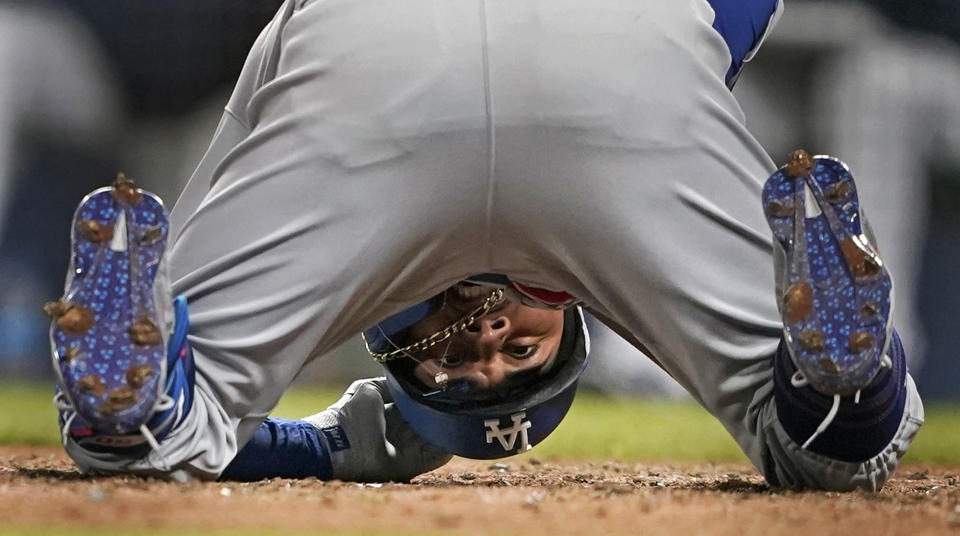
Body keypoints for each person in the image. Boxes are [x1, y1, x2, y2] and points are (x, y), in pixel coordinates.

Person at [46, 0, 922, 490]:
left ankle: (142, 407)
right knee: (835, 453)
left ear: (392, 345)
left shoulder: (592, 266)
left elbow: (172, 310)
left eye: (455, 371)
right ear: (568, 309)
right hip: (595, 66)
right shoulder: (600, 252)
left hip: (383, 50)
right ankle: (831, 379)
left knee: (153, 417)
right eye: (524, 359)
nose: (491, 346)